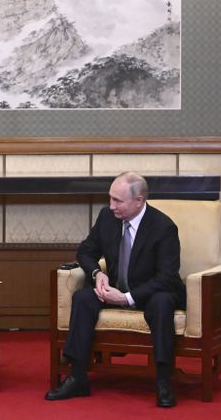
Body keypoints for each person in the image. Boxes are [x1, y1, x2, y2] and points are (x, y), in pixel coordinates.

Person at [44, 172, 185, 408]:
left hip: (150, 293)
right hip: (114, 288)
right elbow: (86, 252)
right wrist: (97, 274)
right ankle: (78, 376)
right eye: (110, 199)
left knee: (162, 303)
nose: (111, 206)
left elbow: (167, 278)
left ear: (139, 200)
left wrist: (127, 298)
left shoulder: (163, 227)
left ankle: (163, 381)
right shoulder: (107, 218)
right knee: (83, 298)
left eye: (117, 201)